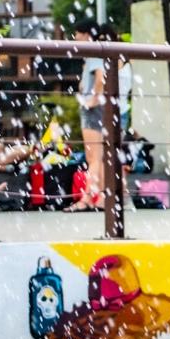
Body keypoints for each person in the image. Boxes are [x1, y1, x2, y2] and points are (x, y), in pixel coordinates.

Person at [67, 18, 105, 212]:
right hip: (96, 109)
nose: (75, 38)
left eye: (78, 34)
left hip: (92, 110)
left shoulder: (93, 54)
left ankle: (87, 198)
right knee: (99, 157)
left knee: (93, 158)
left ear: (86, 35)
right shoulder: (94, 54)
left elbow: (100, 77)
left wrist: (93, 100)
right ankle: (101, 199)